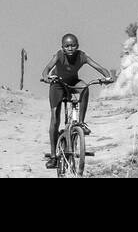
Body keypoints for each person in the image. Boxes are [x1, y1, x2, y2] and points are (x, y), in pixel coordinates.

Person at [39, 34, 115, 168]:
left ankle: (80, 123)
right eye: (67, 46)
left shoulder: (82, 56)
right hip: (57, 84)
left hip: (73, 82)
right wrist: (47, 77)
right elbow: (46, 70)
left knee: (85, 87)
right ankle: (53, 156)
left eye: (73, 45)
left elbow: (98, 67)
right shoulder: (58, 56)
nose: (70, 48)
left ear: (77, 46)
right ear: (62, 47)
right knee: (55, 119)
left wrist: (107, 76)